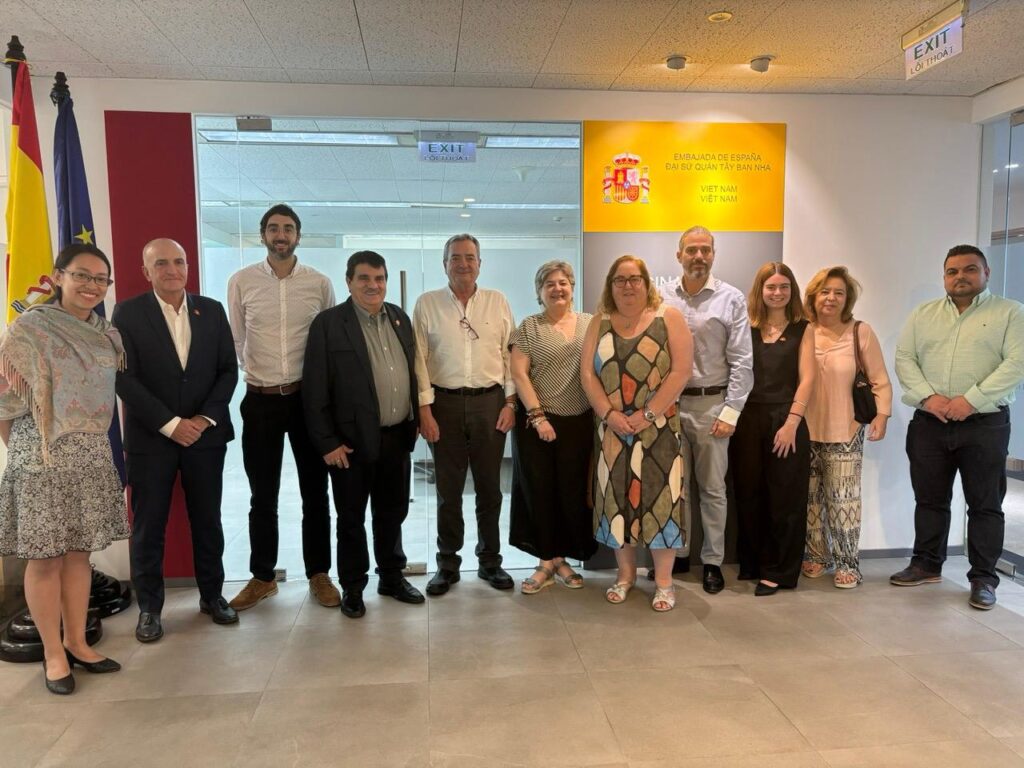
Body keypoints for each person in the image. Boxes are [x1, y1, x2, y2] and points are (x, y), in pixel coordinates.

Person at [0, 244, 128, 694]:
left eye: (100, 279)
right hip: (41, 458)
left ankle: (77, 642)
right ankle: (53, 654)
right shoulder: (28, 329)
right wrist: (28, 455)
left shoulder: (107, 335)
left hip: (90, 455)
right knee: (44, 558)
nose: (92, 285)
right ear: (58, 277)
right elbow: (4, 404)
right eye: (82, 275)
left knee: (78, 555)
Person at [113, 239, 239, 642]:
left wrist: (202, 420)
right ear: (146, 271)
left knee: (208, 520)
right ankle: (150, 608)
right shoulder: (127, 313)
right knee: (148, 526)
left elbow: (228, 370)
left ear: (188, 266)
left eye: (179, 261)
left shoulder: (212, 310)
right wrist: (170, 424)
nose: (172, 269)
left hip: (205, 437)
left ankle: (212, 596)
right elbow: (123, 378)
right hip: (152, 439)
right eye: (161, 263)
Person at [892, 245, 1024, 610]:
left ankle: (983, 578)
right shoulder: (924, 314)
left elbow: (1016, 363)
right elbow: (905, 358)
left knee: (985, 504)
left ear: (986, 273)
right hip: (930, 422)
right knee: (929, 499)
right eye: (952, 271)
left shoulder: (1011, 313)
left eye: (969, 269)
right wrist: (928, 397)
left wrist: (971, 400)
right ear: (944, 276)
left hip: (984, 424)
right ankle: (926, 564)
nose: (960, 276)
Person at [226, 204, 339, 611]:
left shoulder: (319, 283)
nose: (281, 235)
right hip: (260, 401)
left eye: (288, 229)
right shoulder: (241, 281)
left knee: (315, 493)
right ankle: (262, 577)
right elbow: (236, 340)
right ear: (262, 235)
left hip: (307, 401)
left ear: (298, 236)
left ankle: (319, 574)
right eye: (273, 228)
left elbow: (328, 343)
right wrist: (254, 375)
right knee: (263, 495)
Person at [303, 251, 424, 618]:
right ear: (349, 282)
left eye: (379, 278)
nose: (373, 285)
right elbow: (314, 388)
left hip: (396, 437)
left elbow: (412, 372)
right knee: (351, 519)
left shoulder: (399, 318)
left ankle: (391, 576)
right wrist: (327, 442)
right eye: (365, 278)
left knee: (392, 512)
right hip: (350, 443)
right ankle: (353, 587)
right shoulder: (328, 324)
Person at [581, 255, 692, 611]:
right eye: (620, 279)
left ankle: (664, 583)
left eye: (634, 279)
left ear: (646, 283)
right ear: (610, 285)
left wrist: (648, 414)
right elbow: (587, 375)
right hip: (612, 431)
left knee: (662, 502)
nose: (627, 286)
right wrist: (609, 414)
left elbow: (681, 371)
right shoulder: (599, 321)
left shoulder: (668, 317)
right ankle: (625, 575)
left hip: (659, 431)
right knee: (616, 503)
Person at [413, 234, 516, 596]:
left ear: (479, 264)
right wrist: (424, 410)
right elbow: (419, 360)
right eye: (455, 258)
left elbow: (509, 355)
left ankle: (490, 561)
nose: (463, 264)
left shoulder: (497, 301)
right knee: (448, 490)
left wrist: (510, 403)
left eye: (470, 257)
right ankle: (447, 564)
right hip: (444, 404)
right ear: (445, 264)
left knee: (490, 489)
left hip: (491, 404)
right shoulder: (427, 304)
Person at [659, 226, 753, 594]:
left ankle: (712, 561)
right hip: (669, 406)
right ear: (678, 255)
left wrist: (731, 412)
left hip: (713, 405)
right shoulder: (662, 296)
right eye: (691, 250)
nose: (699, 256)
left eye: (705, 250)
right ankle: (679, 554)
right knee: (675, 487)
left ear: (713, 255)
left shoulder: (731, 298)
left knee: (713, 489)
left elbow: (742, 360)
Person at [509, 261, 597, 594]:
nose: (557, 289)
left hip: (580, 421)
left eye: (563, 283)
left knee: (571, 493)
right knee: (540, 491)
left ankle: (563, 559)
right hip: (537, 423)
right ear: (539, 291)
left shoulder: (590, 324)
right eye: (549, 284)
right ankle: (546, 561)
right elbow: (519, 374)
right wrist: (538, 416)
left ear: (572, 287)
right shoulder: (529, 327)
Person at [802, 266, 892, 589]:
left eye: (838, 293)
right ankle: (816, 555)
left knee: (844, 500)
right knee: (810, 499)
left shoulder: (860, 332)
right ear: (813, 296)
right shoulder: (803, 331)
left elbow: (880, 379)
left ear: (847, 298)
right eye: (825, 291)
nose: (831, 298)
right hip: (804, 430)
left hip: (846, 430)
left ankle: (847, 563)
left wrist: (882, 416)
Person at [730, 262, 816, 596]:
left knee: (785, 497)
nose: (777, 293)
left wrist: (792, 423)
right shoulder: (746, 327)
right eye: (771, 287)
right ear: (760, 290)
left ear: (792, 291)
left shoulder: (803, 328)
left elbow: (807, 379)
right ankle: (752, 562)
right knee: (749, 493)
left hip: (786, 418)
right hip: (747, 418)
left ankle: (778, 571)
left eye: (784, 287)